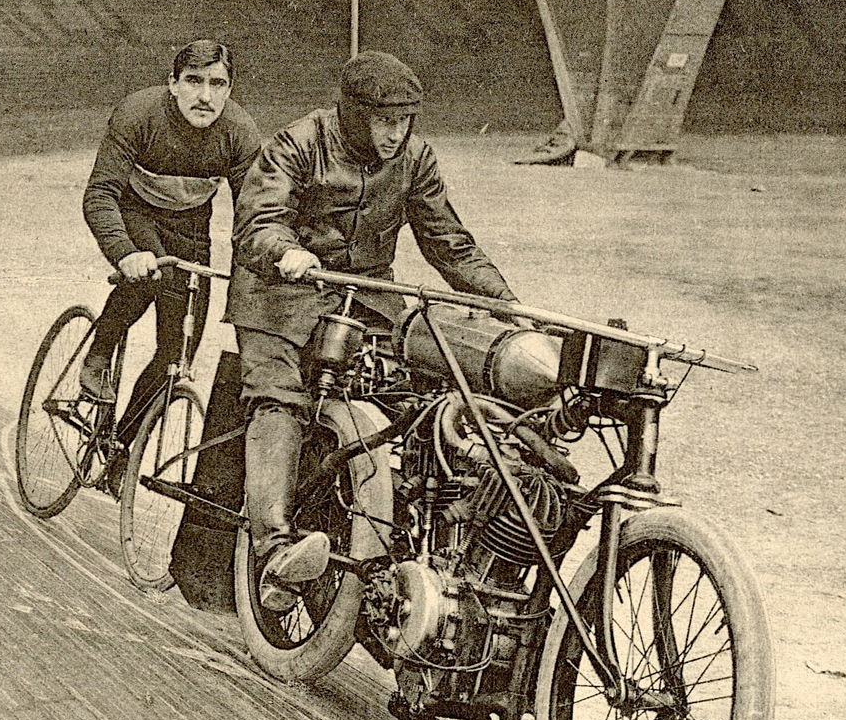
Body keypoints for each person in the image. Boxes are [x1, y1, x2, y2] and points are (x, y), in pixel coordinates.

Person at [227, 50, 520, 610]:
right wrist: (286, 251)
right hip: (278, 294)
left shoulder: (414, 158)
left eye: (405, 120)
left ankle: (415, 530)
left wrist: (504, 302)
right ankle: (275, 553)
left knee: (425, 388)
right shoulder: (299, 143)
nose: (395, 133)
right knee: (279, 400)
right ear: (356, 113)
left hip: (366, 294)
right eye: (385, 120)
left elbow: (448, 242)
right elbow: (258, 221)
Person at [79, 39, 261, 479]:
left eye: (218, 84)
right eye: (194, 81)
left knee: (178, 353)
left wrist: (255, 273)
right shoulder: (138, 114)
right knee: (147, 276)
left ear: (230, 89)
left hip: (190, 226)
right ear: (173, 84)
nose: (206, 96)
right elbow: (99, 193)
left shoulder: (239, 132)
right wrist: (124, 253)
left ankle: (120, 450)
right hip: (135, 211)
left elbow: (256, 215)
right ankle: (98, 354)